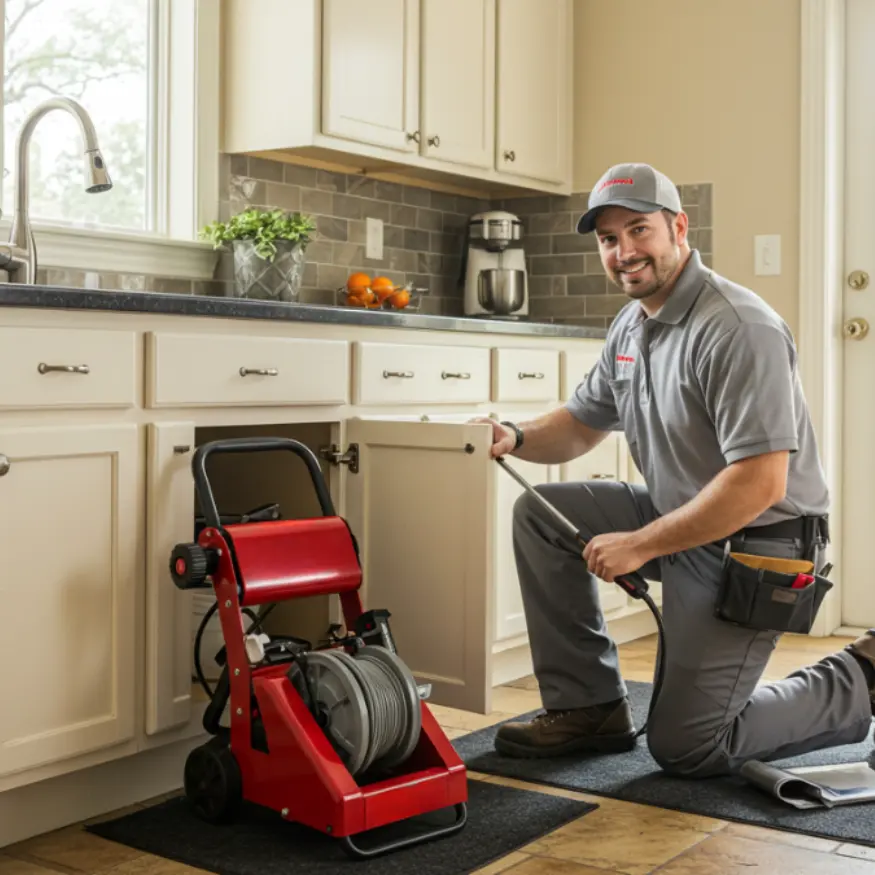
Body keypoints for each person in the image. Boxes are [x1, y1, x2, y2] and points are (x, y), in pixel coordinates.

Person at [475, 162, 875, 778]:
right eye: (609, 240)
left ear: (679, 228)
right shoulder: (633, 325)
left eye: (639, 231)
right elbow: (582, 423)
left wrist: (638, 543)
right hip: (684, 519)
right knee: (542, 515)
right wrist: (516, 435)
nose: (624, 252)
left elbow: (759, 485)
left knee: (688, 748)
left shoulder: (739, 329)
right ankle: (588, 707)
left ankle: (863, 675)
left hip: (758, 546)